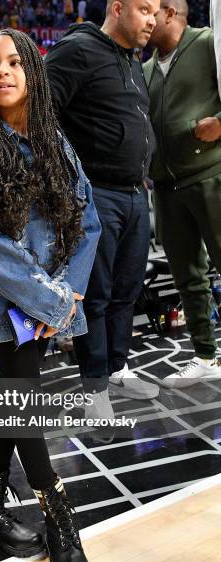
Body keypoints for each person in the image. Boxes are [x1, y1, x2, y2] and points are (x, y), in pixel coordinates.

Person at [0, 28, 101, 562]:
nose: (3, 72)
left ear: (32, 72)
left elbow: (87, 219)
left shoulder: (56, 142)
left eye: (14, 62)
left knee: (15, 399)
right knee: (27, 403)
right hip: (4, 304)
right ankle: (62, 523)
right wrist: (49, 298)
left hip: (52, 298)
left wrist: (72, 289)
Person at [45, 0, 160, 413]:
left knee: (126, 289)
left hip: (134, 192)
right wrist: (64, 181)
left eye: (157, 11)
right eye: (145, 9)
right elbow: (41, 111)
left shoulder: (131, 61)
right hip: (95, 193)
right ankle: (94, 385)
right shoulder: (78, 49)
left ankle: (116, 366)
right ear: (117, 7)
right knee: (95, 293)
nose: (152, 19)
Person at [144, 0, 221, 387]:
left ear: (170, 13)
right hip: (167, 188)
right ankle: (206, 356)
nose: (144, 20)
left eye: (150, 12)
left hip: (210, 175)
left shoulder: (209, 43)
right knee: (188, 278)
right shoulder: (143, 69)